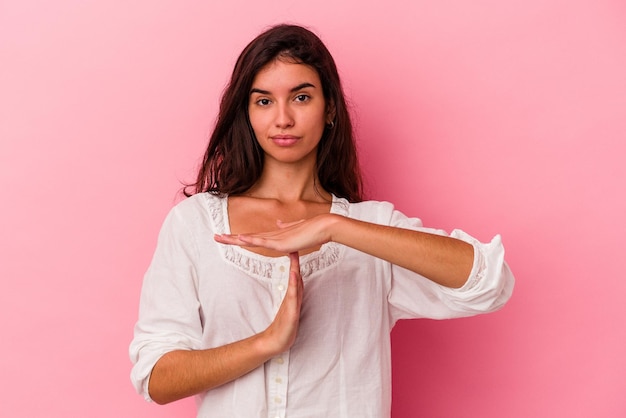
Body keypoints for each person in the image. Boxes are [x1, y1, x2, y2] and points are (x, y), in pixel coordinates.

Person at [129, 24, 514, 417]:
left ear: (329, 107)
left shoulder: (370, 229)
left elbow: (488, 282)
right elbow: (157, 377)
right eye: (263, 101)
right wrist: (267, 343)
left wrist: (335, 226)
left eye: (300, 97)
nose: (283, 118)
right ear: (246, 112)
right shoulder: (195, 224)